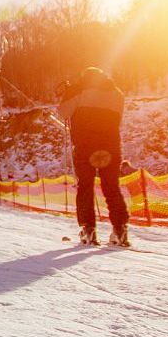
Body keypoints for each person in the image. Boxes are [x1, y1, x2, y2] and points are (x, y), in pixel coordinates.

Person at [58, 66, 129, 247]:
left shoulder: (79, 90)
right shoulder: (117, 94)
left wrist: (68, 93)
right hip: (110, 148)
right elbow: (117, 118)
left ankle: (88, 229)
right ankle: (120, 229)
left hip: (86, 147)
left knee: (85, 187)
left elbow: (63, 113)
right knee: (112, 187)